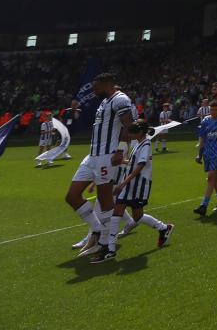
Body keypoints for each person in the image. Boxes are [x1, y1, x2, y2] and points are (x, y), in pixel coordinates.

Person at [68, 73, 134, 261]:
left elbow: (129, 125)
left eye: (96, 87)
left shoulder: (120, 99)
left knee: (105, 200)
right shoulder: (105, 101)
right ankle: (96, 231)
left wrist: (121, 151)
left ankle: (105, 245)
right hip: (92, 156)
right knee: (72, 196)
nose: (94, 91)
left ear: (107, 84)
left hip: (107, 156)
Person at [111, 121, 173, 249]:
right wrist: (123, 160)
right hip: (130, 185)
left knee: (136, 216)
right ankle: (109, 244)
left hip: (137, 185)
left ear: (139, 132)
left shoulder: (146, 144)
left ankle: (164, 228)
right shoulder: (138, 144)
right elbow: (135, 162)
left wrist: (122, 184)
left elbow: (141, 165)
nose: (129, 134)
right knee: (121, 210)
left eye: (131, 132)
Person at [193, 99, 217, 215]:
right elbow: (202, 137)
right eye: (212, 109)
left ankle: (204, 205)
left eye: (216, 109)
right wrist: (199, 154)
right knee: (215, 177)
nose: (214, 111)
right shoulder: (205, 120)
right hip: (207, 152)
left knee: (210, 177)